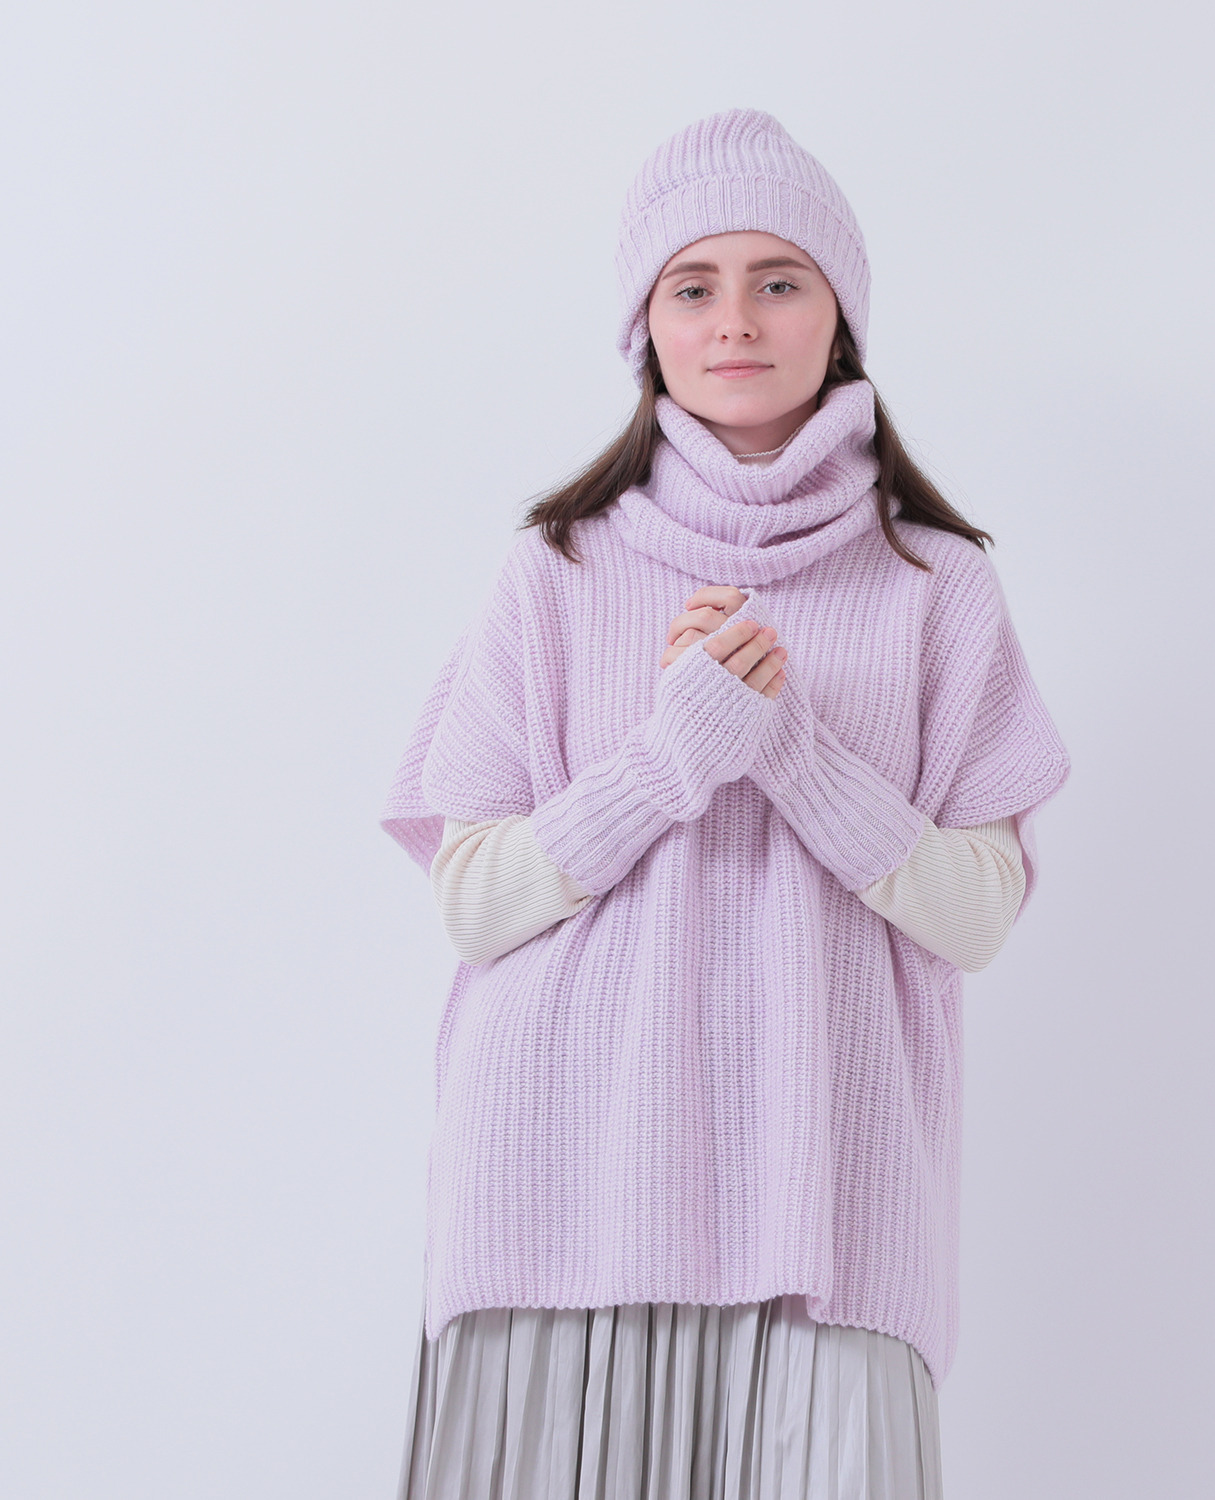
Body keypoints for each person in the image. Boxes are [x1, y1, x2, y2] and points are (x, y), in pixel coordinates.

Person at [380, 107, 1070, 1500]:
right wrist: (671, 757)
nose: (736, 320)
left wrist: (794, 752)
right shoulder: (558, 570)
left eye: (779, 280)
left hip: (830, 1202)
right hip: (558, 1194)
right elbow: (475, 903)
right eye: (692, 286)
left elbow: (976, 918)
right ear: (645, 326)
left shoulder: (935, 584)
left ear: (841, 316)